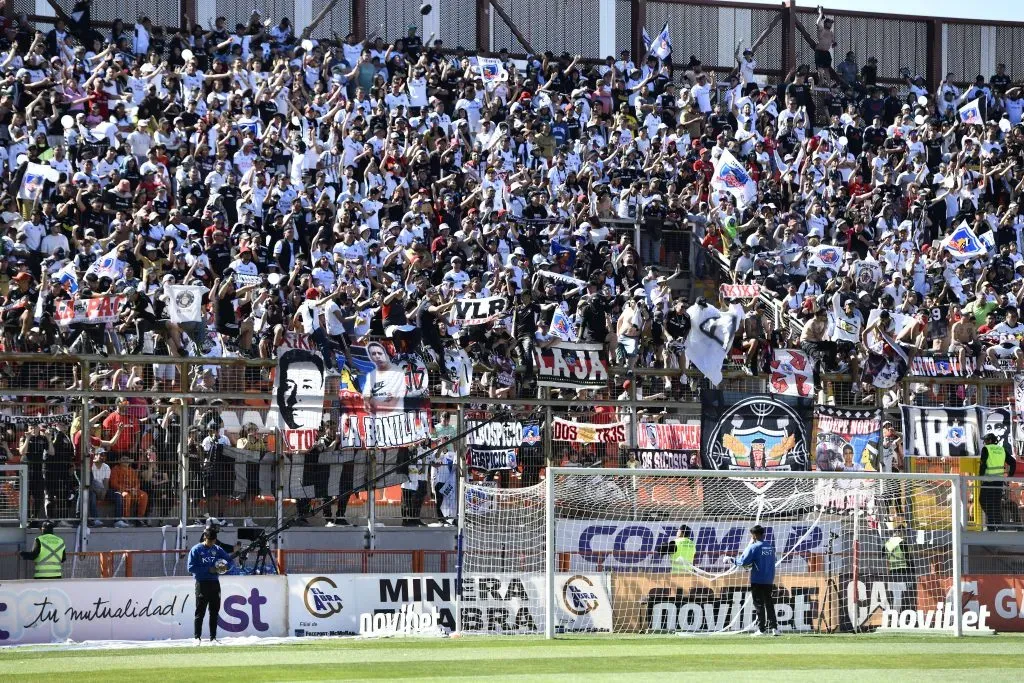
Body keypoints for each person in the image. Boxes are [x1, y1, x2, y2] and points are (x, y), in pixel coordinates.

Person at [187, 525, 234, 643]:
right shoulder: (196, 549)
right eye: (210, 540)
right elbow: (191, 568)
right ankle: (197, 638)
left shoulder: (217, 549)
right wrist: (209, 569)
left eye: (214, 541)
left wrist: (225, 567)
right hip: (202, 583)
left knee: (214, 612)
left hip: (214, 583)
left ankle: (213, 638)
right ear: (205, 538)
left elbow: (230, 561)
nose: (212, 543)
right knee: (200, 611)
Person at [732, 524, 779, 636]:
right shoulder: (770, 547)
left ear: (754, 535)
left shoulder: (754, 547)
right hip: (769, 579)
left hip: (757, 579)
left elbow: (743, 562)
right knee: (769, 604)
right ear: (763, 534)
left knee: (759, 604)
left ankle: (761, 629)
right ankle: (775, 629)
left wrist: (731, 560)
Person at [979, 432, 1018, 530]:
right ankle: (997, 524)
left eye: (985, 440)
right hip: (999, 481)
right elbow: (1013, 462)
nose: (984, 442)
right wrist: (1010, 475)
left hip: (988, 480)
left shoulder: (986, 449)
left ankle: (993, 523)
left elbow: (983, 464)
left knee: (983, 501)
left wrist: (980, 477)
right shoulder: (1002, 449)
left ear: (990, 440)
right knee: (995, 503)